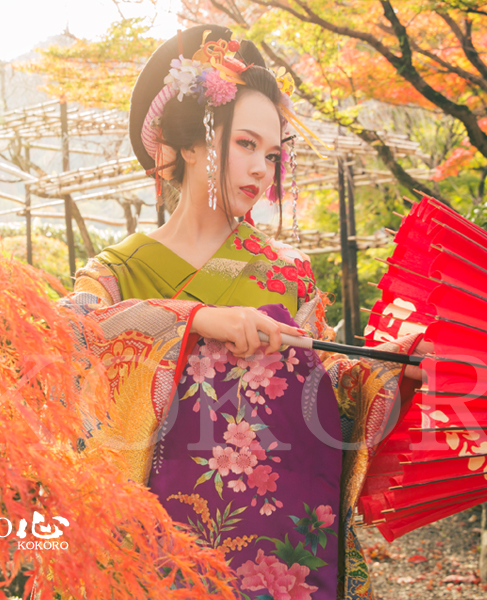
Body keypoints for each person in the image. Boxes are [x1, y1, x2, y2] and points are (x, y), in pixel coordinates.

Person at [62, 25, 423, 600]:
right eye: (246, 145)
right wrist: (194, 320)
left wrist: (388, 370)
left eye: (274, 154)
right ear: (187, 144)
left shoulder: (288, 270)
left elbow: (325, 388)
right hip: (161, 534)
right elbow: (67, 333)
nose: (263, 169)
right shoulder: (119, 268)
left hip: (284, 532)